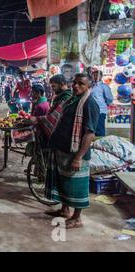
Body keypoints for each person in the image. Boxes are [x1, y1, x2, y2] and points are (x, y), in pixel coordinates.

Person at [45, 74, 100, 229]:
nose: (76, 86)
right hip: (63, 148)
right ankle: (64, 210)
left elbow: (89, 133)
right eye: (75, 83)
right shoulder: (71, 100)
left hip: (76, 152)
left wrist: (78, 157)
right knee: (64, 182)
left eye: (81, 84)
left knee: (76, 185)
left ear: (89, 85)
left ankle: (77, 218)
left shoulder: (90, 103)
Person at [91, 70, 113, 137]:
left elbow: (109, 98)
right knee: (91, 129)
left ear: (101, 76)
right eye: (93, 75)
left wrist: (104, 106)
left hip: (100, 111)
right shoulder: (90, 86)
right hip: (90, 111)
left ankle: (100, 145)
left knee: (99, 130)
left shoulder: (104, 86)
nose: (95, 77)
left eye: (97, 75)